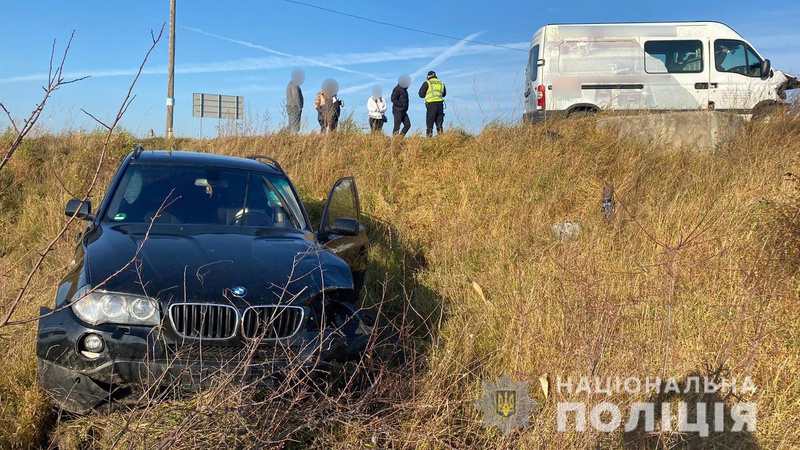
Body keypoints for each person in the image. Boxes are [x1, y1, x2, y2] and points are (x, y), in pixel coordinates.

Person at [418, 70, 446, 137]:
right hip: (440, 105)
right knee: (439, 124)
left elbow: (421, 95)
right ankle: (441, 138)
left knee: (430, 124)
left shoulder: (427, 83)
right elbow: (444, 94)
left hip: (431, 105)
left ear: (428, 76)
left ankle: (429, 139)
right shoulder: (441, 83)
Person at [285, 68, 305, 133]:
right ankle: (293, 138)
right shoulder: (294, 84)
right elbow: (296, 95)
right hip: (294, 106)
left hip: (291, 106)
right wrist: (299, 107)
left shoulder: (291, 83)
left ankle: (286, 137)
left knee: (291, 125)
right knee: (295, 126)